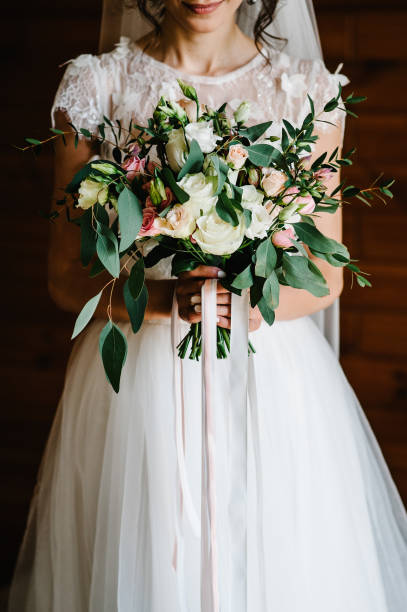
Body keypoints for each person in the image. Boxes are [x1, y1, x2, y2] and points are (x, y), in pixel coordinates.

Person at [9, 0, 407, 610]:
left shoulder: (305, 92)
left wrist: (245, 303)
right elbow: (66, 276)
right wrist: (167, 298)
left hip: (272, 384)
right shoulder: (97, 87)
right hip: (139, 389)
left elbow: (327, 275)